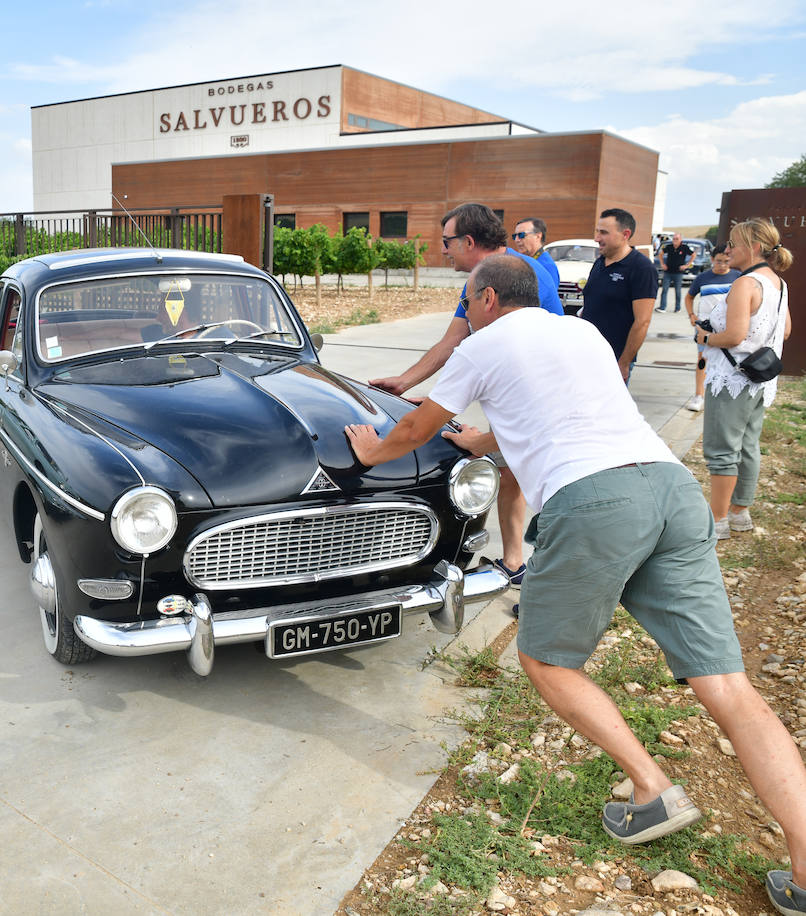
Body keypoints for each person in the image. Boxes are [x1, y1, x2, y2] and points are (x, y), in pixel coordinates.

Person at [345, 253, 806, 915]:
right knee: (730, 687)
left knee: (546, 659)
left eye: (468, 301)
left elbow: (415, 426)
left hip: (594, 502)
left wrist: (372, 451)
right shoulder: (583, 333)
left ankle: (653, 788)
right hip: (669, 485)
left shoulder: (483, 341)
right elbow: (554, 418)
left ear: (485, 301)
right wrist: (480, 439)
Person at [370, 203, 562, 589]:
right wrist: (405, 382)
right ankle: (515, 561)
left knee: (532, 473)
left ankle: (545, 574)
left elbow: (521, 347)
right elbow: (455, 337)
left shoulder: (520, 273)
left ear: (469, 241)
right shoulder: (481, 277)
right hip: (518, 390)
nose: (444, 250)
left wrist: (375, 451)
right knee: (510, 469)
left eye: (447, 242)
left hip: (540, 391)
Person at [695, 218, 793, 540]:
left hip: (732, 378)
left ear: (753, 247)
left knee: (722, 449)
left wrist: (705, 338)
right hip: (760, 378)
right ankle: (740, 513)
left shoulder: (745, 284)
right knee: (748, 445)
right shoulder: (778, 283)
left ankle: (718, 519)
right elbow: (786, 330)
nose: (728, 250)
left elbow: (735, 335)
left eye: (734, 244)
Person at [581, 209, 657, 383]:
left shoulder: (642, 269)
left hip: (613, 361)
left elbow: (642, 321)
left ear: (625, 234)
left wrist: (623, 363)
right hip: (587, 355)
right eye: (597, 231)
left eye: (604, 233)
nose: (597, 238)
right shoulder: (599, 263)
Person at [683, 245, 740, 412]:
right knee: (703, 359)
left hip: (727, 326)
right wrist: (692, 315)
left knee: (727, 360)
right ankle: (699, 395)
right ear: (712, 260)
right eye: (718, 261)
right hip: (705, 326)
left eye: (726, 261)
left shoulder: (738, 277)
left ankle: (721, 395)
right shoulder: (703, 278)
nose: (722, 265)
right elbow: (689, 297)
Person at [511, 217, 560, 286]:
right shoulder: (527, 261)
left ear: (538, 236)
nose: (516, 240)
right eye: (514, 236)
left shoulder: (546, 266)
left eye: (521, 235)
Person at [657, 232, 696, 312]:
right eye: (674, 239)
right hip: (668, 272)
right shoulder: (669, 247)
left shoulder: (684, 247)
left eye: (677, 239)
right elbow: (660, 254)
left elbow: (693, 255)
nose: (675, 240)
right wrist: (662, 264)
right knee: (664, 290)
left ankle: (677, 308)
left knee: (678, 291)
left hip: (678, 273)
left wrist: (687, 265)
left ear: (680, 240)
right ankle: (662, 307)